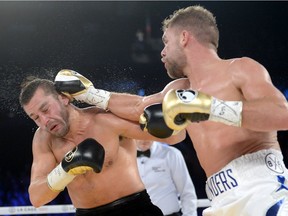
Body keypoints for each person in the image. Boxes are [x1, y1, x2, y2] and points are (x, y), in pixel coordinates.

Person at [54, 5, 288, 216]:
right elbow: (139, 107)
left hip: (263, 186)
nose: (162, 52)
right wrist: (89, 94)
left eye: (166, 41)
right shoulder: (179, 90)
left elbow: (282, 114)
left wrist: (211, 108)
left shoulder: (240, 69)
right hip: (219, 197)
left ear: (184, 37)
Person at [19, 77, 186, 216]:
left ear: (63, 98)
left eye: (46, 109)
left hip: (134, 209)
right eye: (36, 118)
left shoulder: (105, 120)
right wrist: (65, 169)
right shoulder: (44, 139)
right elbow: (37, 198)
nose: (44, 121)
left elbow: (176, 136)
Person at [136, 139, 198, 216]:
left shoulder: (171, 154)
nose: (144, 140)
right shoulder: (124, 157)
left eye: (147, 135)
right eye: (140, 136)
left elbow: (187, 192)